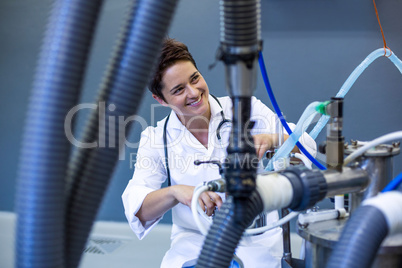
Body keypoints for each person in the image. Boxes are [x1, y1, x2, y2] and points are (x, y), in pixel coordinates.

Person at [122, 38, 317, 268]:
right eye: (178, 90)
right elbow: (139, 209)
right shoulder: (157, 138)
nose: (194, 92)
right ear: (160, 99)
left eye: (194, 78)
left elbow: (307, 146)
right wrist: (176, 192)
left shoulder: (246, 110)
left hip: (255, 239)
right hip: (194, 242)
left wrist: (274, 139)